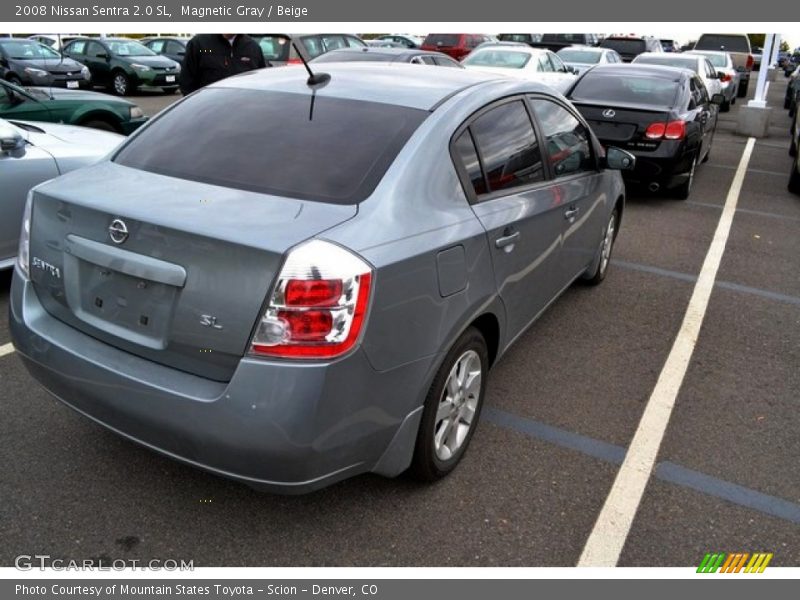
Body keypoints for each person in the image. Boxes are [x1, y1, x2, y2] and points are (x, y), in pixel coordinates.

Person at [179, 34, 267, 95]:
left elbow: (261, 84)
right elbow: (186, 84)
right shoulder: (198, 44)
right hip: (208, 114)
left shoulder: (253, 48)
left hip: (242, 114)